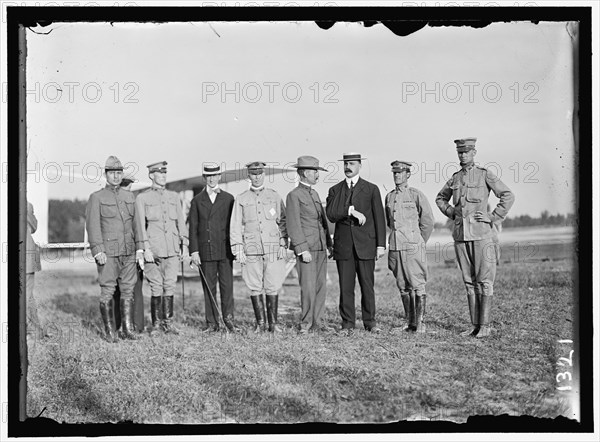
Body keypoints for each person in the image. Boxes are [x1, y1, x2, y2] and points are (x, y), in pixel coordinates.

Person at [436, 138, 515, 338]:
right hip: (461, 236)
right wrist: (451, 212)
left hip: (482, 236)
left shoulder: (484, 174)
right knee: (469, 281)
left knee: (484, 281)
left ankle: (485, 326)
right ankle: (474, 326)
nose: (462, 155)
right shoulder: (455, 178)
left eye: (466, 152)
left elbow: (507, 195)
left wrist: (492, 217)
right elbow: (440, 198)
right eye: (460, 152)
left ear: (474, 153)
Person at [326, 152, 386, 335]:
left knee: (367, 285)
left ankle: (370, 322)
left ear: (359, 165)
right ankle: (347, 323)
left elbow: (379, 219)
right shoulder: (335, 190)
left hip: (366, 246)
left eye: (352, 163)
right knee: (346, 287)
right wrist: (350, 211)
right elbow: (331, 214)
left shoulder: (371, 189)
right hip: (344, 247)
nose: (348, 167)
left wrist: (381, 245)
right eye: (345, 164)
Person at [85, 156, 141, 342]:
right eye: (112, 173)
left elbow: (137, 225)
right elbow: (92, 226)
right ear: (106, 174)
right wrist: (98, 250)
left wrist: (140, 248)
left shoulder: (129, 196)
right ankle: (110, 332)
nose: (116, 177)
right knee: (108, 290)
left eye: (119, 173)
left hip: (129, 251)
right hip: (108, 253)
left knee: (128, 290)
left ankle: (127, 329)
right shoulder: (97, 197)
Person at [230, 161, 288, 333]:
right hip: (251, 248)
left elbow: (283, 220)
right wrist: (238, 249)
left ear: (264, 174)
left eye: (260, 173)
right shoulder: (241, 199)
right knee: (254, 285)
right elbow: (234, 226)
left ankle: (273, 324)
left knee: (273, 284)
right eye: (253, 173)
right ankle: (260, 323)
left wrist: (284, 241)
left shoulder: (274, 196)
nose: (257, 177)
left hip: (272, 247)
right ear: (248, 175)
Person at [135, 161, 189, 336]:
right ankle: (156, 325)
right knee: (156, 287)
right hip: (154, 250)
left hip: (172, 249)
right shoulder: (142, 198)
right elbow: (140, 226)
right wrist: (145, 249)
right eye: (160, 173)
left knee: (170, 285)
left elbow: (181, 222)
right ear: (151, 175)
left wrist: (185, 244)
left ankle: (168, 323)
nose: (163, 176)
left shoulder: (174, 197)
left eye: (165, 173)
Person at [384, 161, 434, 333]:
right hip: (396, 246)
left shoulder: (415, 195)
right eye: (395, 173)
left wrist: (419, 241)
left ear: (408, 174)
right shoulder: (389, 197)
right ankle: (409, 322)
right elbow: (389, 222)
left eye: (401, 172)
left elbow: (427, 221)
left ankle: (421, 323)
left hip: (413, 247)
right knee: (402, 284)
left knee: (417, 283)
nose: (397, 175)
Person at [188, 163, 239, 333]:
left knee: (227, 286)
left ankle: (228, 319)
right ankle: (212, 323)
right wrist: (194, 251)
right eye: (208, 176)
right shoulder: (196, 201)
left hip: (224, 250)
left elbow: (234, 226)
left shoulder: (229, 198)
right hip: (205, 251)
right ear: (204, 178)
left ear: (219, 177)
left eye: (214, 175)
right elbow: (193, 228)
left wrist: (236, 248)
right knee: (209, 287)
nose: (211, 179)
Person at [286, 156, 333, 334]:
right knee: (307, 287)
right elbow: (293, 224)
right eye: (315, 172)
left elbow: (322, 222)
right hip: (307, 249)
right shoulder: (294, 196)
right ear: (305, 173)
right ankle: (305, 324)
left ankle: (318, 323)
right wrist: (302, 249)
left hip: (320, 247)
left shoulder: (314, 194)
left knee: (321, 287)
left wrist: (328, 244)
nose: (317, 175)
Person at [112, 173, 145, 333]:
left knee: (123, 290)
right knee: (129, 289)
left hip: (127, 252)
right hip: (124, 252)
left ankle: (128, 326)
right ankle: (129, 326)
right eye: (129, 188)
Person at [26, 200, 43, 338]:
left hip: (25, 256)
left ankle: (34, 330)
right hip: (25, 254)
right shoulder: (25, 204)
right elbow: (33, 227)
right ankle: (34, 330)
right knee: (26, 294)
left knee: (26, 294)